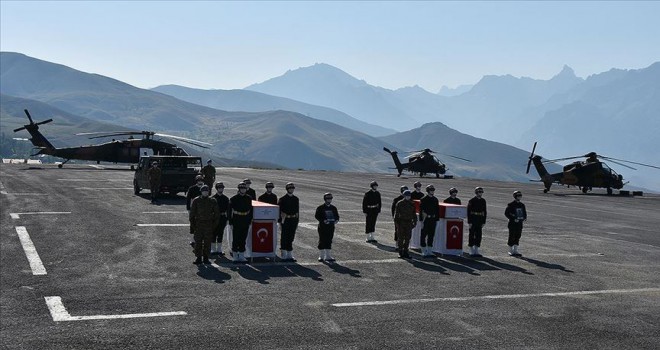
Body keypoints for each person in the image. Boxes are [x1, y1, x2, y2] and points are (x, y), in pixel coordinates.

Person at [189, 185, 220, 265]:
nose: (205, 192)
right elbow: (192, 215)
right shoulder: (196, 200)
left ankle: (206, 258)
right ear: (201, 192)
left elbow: (217, 215)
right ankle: (198, 258)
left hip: (209, 224)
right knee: (198, 242)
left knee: (207, 242)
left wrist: (214, 226)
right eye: (204, 191)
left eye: (206, 191)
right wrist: (193, 226)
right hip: (199, 224)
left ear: (208, 192)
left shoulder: (213, 200)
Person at [229, 182, 253, 263]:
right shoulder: (233, 199)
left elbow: (251, 210)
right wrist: (231, 222)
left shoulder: (249, 198)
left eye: (244, 188)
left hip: (245, 220)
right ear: (239, 189)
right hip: (236, 220)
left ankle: (242, 256)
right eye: (241, 188)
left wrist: (250, 220)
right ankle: (235, 256)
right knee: (236, 238)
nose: (243, 190)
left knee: (243, 239)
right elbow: (229, 212)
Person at [278, 182, 299, 262]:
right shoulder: (282, 199)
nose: (291, 189)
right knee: (284, 236)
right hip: (285, 220)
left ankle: (289, 253)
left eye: (292, 188)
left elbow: (297, 211)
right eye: (290, 188)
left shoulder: (296, 199)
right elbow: (279, 211)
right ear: (287, 189)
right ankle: (283, 253)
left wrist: (297, 221)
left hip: (293, 220)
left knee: (291, 236)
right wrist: (280, 221)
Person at [315, 193, 339, 262]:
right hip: (322, 226)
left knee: (329, 239)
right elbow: (317, 216)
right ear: (325, 199)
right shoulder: (320, 207)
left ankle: (328, 256)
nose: (329, 200)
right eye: (328, 198)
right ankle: (321, 256)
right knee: (322, 239)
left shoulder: (333, 208)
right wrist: (323, 220)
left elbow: (337, 216)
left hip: (331, 226)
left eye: (330, 198)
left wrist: (336, 220)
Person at [394, 190, 417, 259]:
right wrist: (397, 224)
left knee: (408, 238)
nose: (408, 197)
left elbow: (414, 214)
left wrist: (414, 222)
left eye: (409, 196)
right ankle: (400, 252)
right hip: (401, 222)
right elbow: (396, 214)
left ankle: (406, 251)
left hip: (409, 222)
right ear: (404, 196)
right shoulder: (399, 203)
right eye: (407, 196)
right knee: (401, 238)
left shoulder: (412, 203)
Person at [505, 190, 527, 256]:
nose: (519, 197)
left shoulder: (522, 205)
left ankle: (516, 250)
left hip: (519, 223)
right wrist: (513, 218)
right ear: (515, 196)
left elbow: (524, 213)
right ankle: (510, 250)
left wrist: (523, 218)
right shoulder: (511, 204)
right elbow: (506, 213)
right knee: (512, 235)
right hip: (512, 223)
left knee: (518, 235)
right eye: (518, 196)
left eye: (520, 196)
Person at [419, 184, 439, 258]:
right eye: (431, 190)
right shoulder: (423, 199)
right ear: (428, 191)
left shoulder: (435, 199)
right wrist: (421, 221)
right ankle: (424, 250)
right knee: (423, 235)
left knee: (431, 235)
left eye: (433, 190)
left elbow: (437, 211)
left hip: (433, 219)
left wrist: (437, 220)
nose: (432, 191)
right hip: (426, 219)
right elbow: (421, 211)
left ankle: (430, 250)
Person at [467, 187, 487, 257]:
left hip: (480, 219)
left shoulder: (483, 201)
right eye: (479, 192)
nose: (480, 193)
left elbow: (485, 211)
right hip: (473, 219)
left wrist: (484, 221)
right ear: (476, 193)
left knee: (479, 235)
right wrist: (469, 222)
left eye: (481, 192)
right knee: (472, 234)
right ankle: (471, 248)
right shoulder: (472, 200)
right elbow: (468, 212)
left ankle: (476, 249)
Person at [186, 175, 205, 247]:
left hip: (203, 210)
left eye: (201, 180)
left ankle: (202, 239)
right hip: (193, 209)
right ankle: (192, 240)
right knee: (193, 224)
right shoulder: (192, 188)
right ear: (196, 181)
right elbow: (188, 199)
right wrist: (188, 209)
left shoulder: (205, 188)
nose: (200, 182)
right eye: (198, 180)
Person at [211, 182, 229, 256]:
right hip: (214, 218)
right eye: (219, 188)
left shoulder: (226, 198)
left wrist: (227, 219)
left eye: (222, 188)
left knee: (220, 233)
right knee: (213, 233)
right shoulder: (213, 198)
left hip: (222, 217)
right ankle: (213, 249)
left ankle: (219, 249)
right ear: (217, 188)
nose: (221, 189)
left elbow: (228, 209)